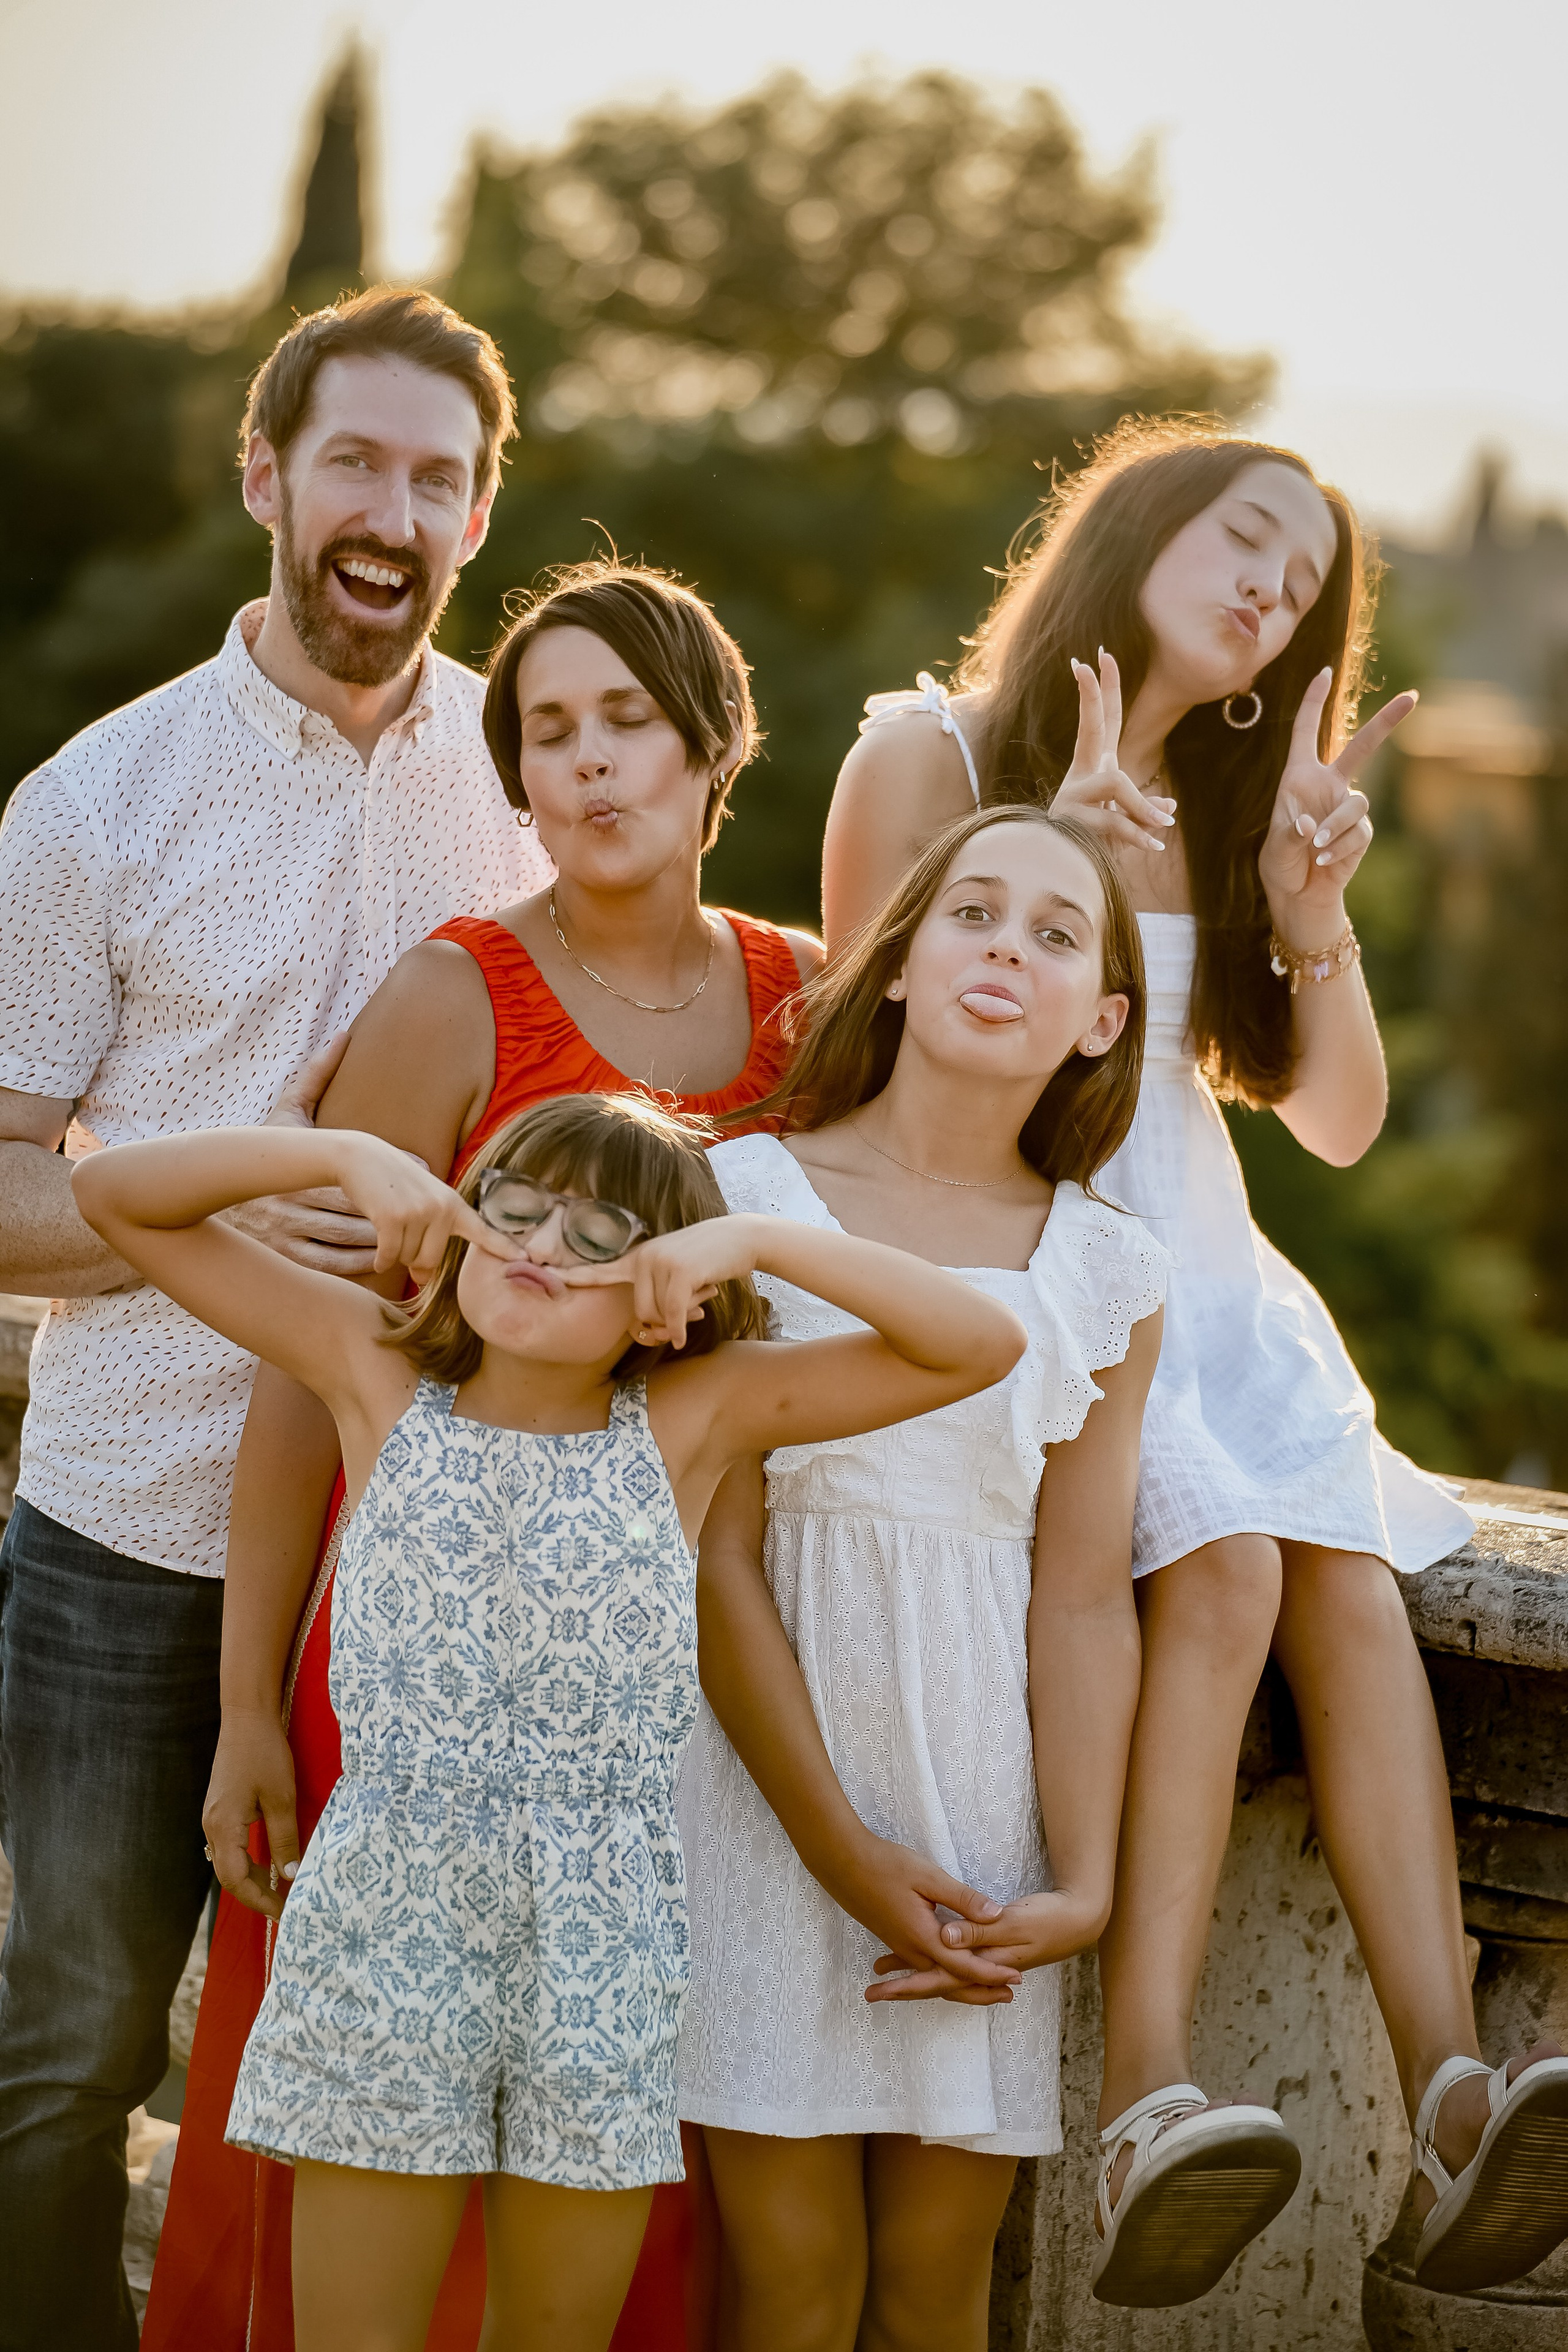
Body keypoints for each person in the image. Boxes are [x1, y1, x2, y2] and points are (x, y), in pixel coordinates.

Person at [822, 416, 1568, 2305]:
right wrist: (1062, 857)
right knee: (1229, 1565)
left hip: (1223, 1278)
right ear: (1138, 526)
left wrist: (1315, 923)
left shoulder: (1247, 812)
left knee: (1356, 1589)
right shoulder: (934, 751)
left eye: (1307, 585)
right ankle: (1147, 2089)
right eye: (1248, 541)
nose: (1271, 590)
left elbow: (1332, 1125)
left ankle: (1457, 2091)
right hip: (1051, 1263)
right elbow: (873, 1053)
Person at [144, 560, 822, 2352]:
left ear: (714, 748)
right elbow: (306, 1375)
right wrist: (242, 1708)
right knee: (369, 2145)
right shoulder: (453, 998)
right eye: (546, 732)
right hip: (422, 1665)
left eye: (629, 725)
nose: (588, 766)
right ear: (513, 777)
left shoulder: (809, 1004)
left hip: (654, 1681)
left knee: (598, 2159)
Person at [71, 1088, 1028, 2352]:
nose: (534, 1245)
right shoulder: (374, 1367)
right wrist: (353, 1154)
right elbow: (113, 1196)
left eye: (595, 1238)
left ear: (662, 1286)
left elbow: (976, 1345)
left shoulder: (693, 1416)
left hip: (601, 1939)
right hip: (388, 1916)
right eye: (512, 1208)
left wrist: (752, 1243)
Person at [0, 284, 551, 2350]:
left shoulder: (531, 776)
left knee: (368, 2082)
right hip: (130, 1522)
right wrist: (251, 1235)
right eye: (355, 461)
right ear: (266, 477)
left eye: (438, 475)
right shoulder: (94, 805)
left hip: (418, 1551)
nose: (391, 511)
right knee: (65, 2045)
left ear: (479, 513)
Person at [674, 804, 1169, 2352]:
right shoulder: (736, 1196)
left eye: (1052, 932)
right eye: (972, 913)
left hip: (982, 1831)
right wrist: (834, 1844)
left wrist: (1080, 1884)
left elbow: (1083, 1595)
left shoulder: (1108, 1270)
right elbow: (715, 1552)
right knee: (793, 2291)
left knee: (936, 2303)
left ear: (1098, 1020)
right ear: (895, 965)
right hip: (770, 1808)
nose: (1003, 950)